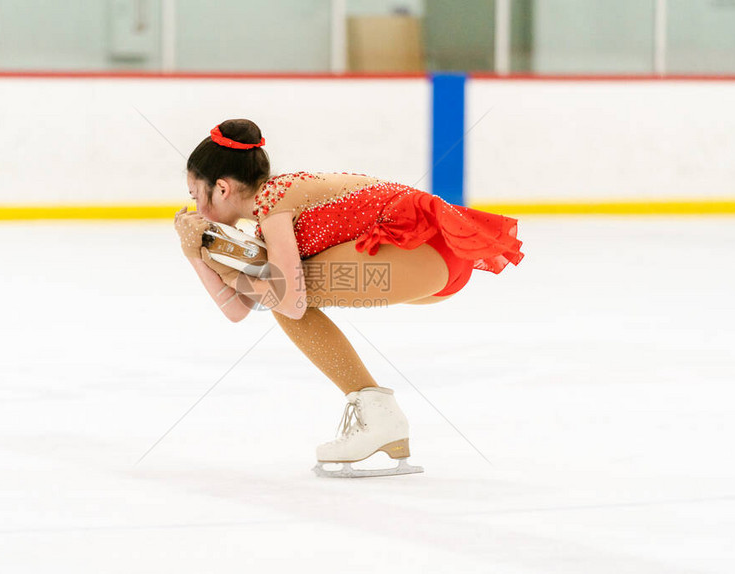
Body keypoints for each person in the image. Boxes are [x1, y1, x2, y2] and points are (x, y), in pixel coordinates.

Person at [174, 119, 524, 477]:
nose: (197, 209)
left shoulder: (272, 200)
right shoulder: (275, 203)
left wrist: (229, 269)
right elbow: (236, 310)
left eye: (195, 196)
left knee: (286, 297)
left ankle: (379, 417)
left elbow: (289, 302)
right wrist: (195, 253)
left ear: (221, 188)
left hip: (420, 248)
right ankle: (380, 419)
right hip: (436, 262)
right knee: (279, 286)